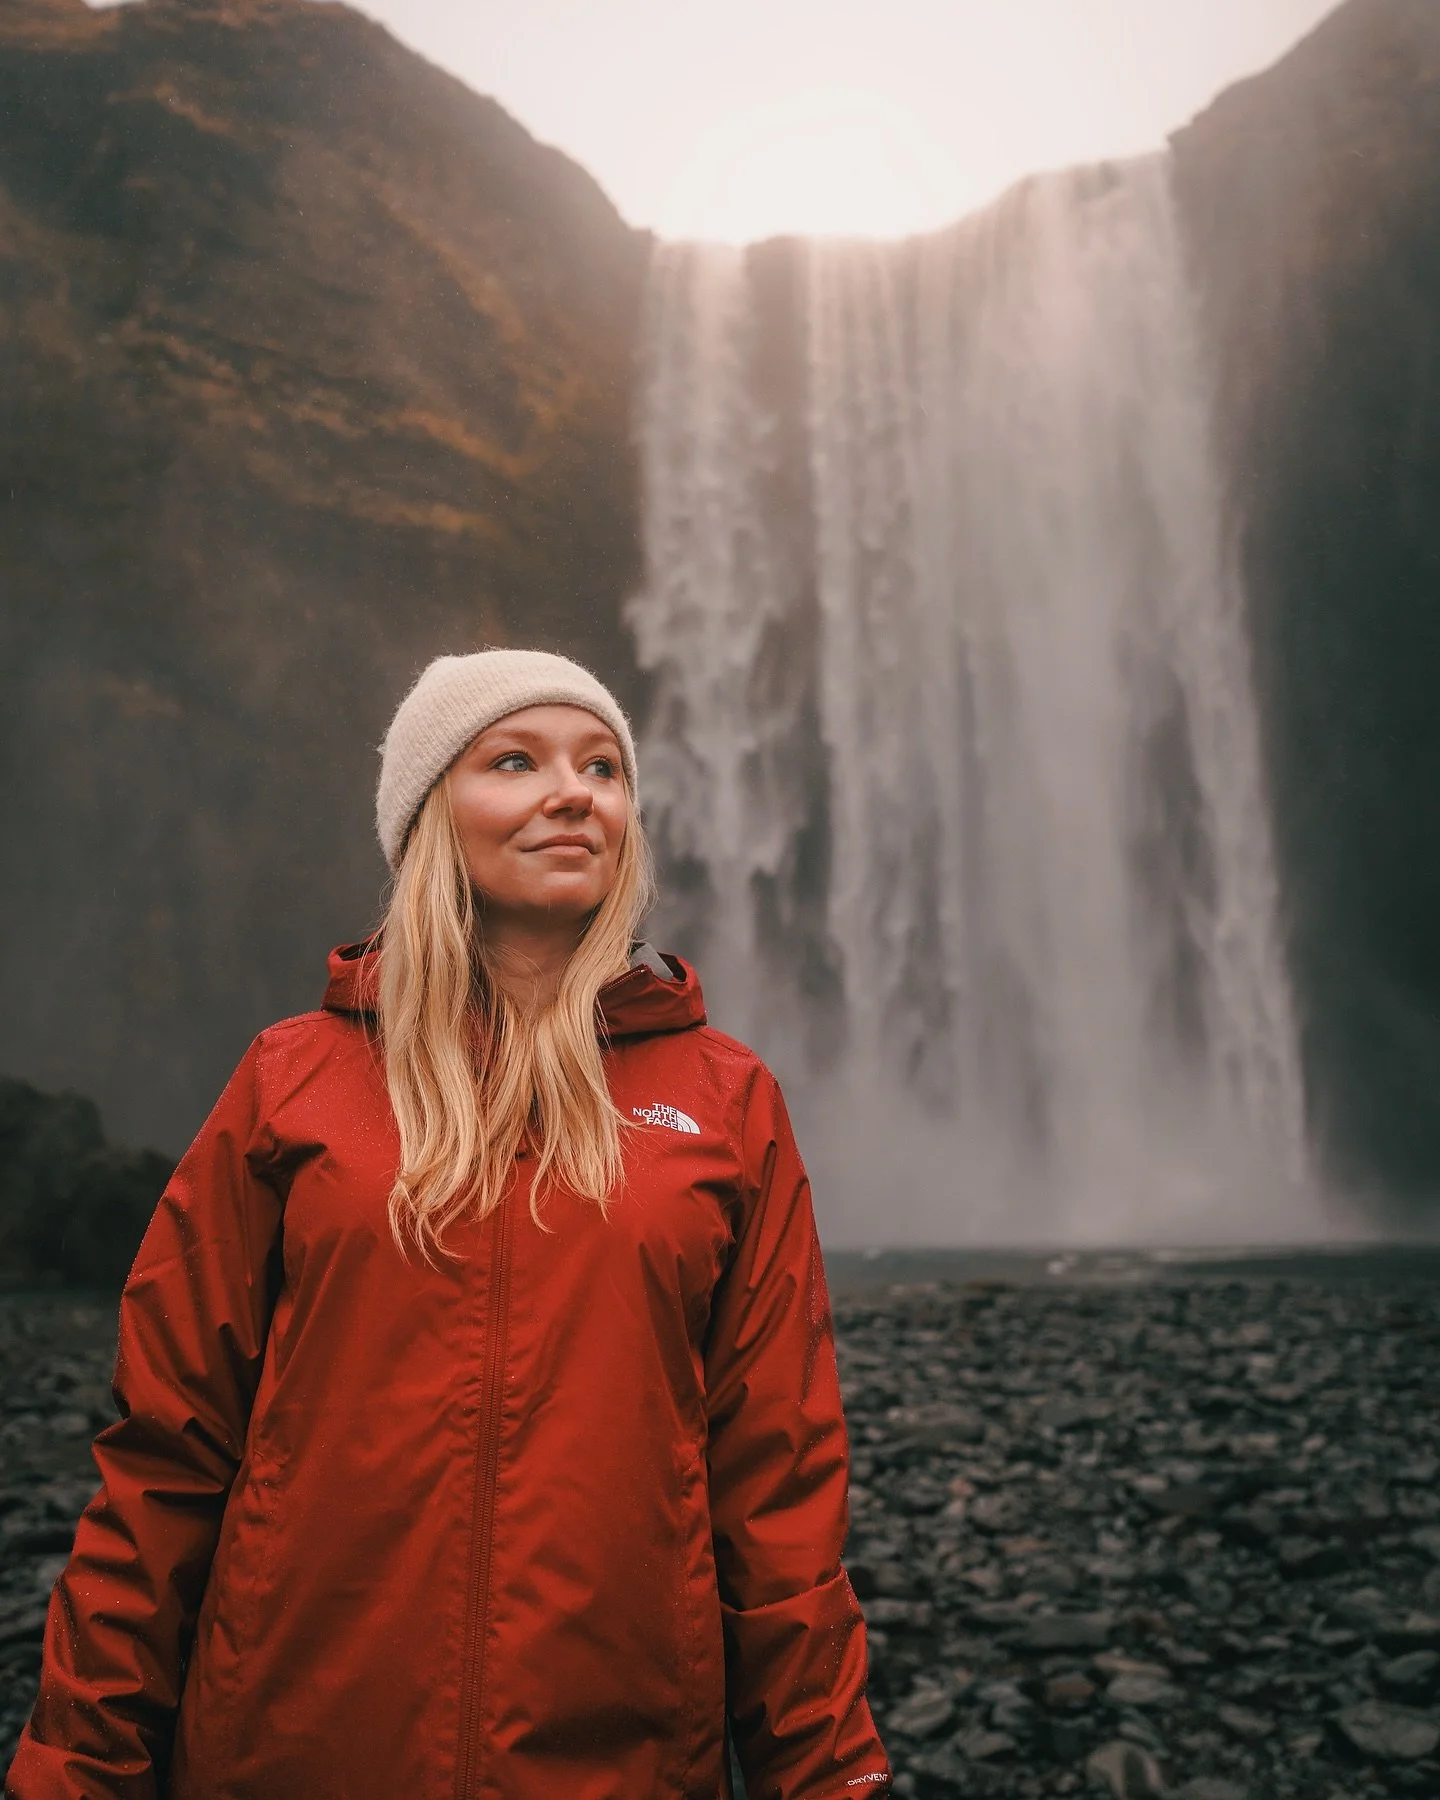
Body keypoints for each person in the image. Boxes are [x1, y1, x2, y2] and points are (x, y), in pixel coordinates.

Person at [6, 649, 891, 1800]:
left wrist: (829, 1775)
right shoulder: (294, 1080)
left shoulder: (726, 1101)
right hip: (296, 1748)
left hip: (615, 1764)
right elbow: (165, 1458)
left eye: (605, 768)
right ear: (429, 816)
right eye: (514, 761)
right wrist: (74, 1765)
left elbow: (778, 1490)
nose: (576, 792)